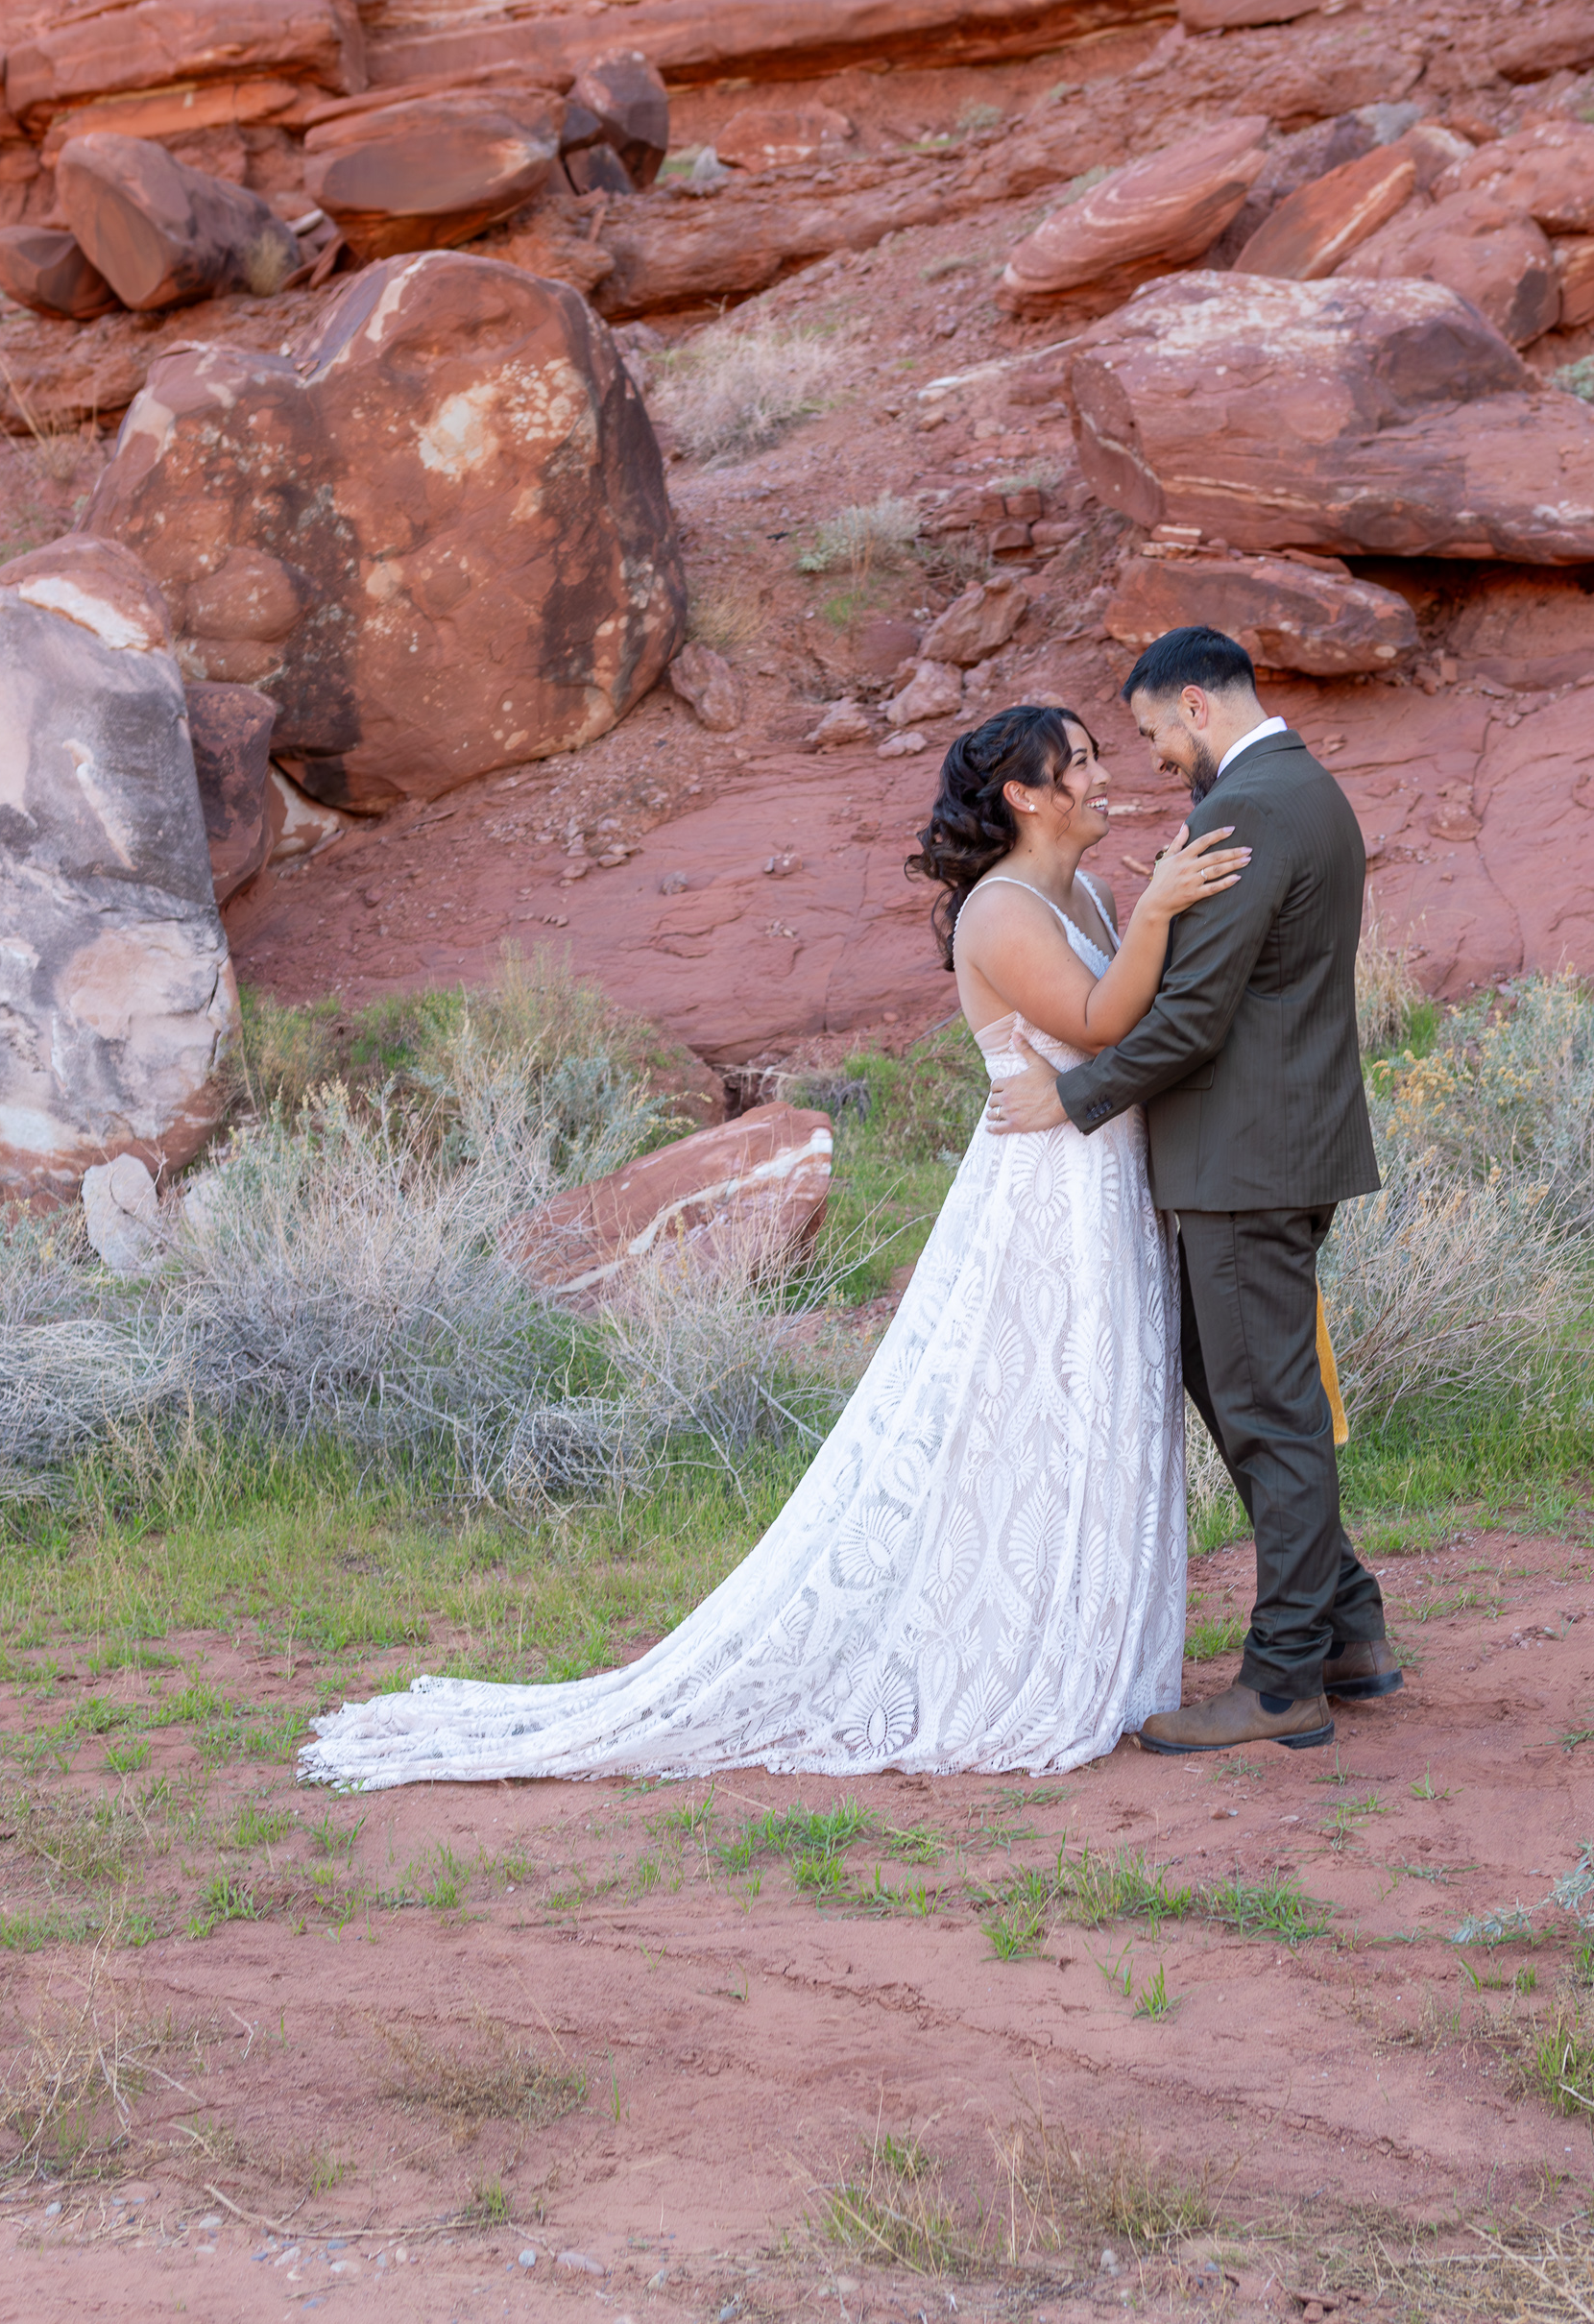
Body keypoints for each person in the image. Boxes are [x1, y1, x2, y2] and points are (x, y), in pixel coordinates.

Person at [298, 703, 1247, 1789]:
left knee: (1104, 1399)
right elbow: (1098, 1021)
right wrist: (1168, 910)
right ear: (1026, 795)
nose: (1101, 773)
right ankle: (997, 1644)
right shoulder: (998, 912)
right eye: (1077, 761)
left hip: (1105, 1177)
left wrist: (1152, 910)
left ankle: (1087, 1636)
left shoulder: (1091, 888)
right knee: (1031, 1403)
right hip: (1045, 1196)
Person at [985, 627, 1397, 1755]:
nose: (1156, 756)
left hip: (1244, 1164)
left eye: (1157, 730)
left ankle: (1280, 1684)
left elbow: (1193, 1015)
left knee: (1268, 1415)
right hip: (1274, 1151)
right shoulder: (1304, 788)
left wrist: (1073, 1101)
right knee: (1245, 1396)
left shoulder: (1247, 808)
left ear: (1197, 705)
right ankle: (1349, 1631)